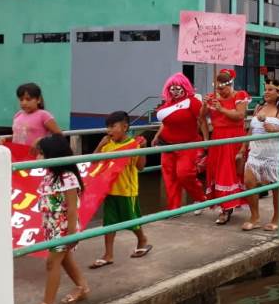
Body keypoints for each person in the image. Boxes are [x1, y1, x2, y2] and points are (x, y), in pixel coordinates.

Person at [21, 134, 89, 304]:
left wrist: (71, 234)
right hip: (51, 225)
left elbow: (73, 207)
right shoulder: (50, 173)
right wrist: (41, 142)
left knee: (52, 263)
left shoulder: (67, 177)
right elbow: (35, 147)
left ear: (54, 155)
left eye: (42, 154)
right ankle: (82, 287)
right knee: (65, 259)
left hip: (63, 226)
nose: (38, 157)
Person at [89, 111, 151, 270]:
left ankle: (142, 239)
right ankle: (108, 254)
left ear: (125, 127)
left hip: (127, 191)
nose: (109, 131)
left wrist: (142, 150)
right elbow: (93, 163)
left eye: (112, 126)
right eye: (107, 127)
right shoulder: (107, 145)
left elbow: (141, 167)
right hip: (109, 191)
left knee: (132, 219)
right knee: (108, 224)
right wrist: (100, 145)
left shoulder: (134, 144)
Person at [240, 81, 279, 231]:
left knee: (277, 187)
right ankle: (254, 217)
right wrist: (242, 148)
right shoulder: (259, 107)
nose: (266, 92)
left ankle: (277, 217)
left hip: (275, 153)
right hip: (256, 152)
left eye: (270, 90)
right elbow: (251, 130)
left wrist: (275, 129)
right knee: (249, 182)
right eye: (265, 90)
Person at [151, 73, 207, 211]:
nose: (174, 91)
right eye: (172, 88)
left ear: (184, 87)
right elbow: (166, 122)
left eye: (177, 88)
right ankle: (174, 208)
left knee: (185, 174)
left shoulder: (193, 102)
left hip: (187, 144)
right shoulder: (168, 103)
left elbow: (201, 120)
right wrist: (157, 136)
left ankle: (200, 198)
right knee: (169, 178)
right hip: (166, 144)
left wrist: (206, 140)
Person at [200, 69, 250, 225]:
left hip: (234, 138)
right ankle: (225, 206)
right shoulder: (214, 98)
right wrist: (204, 105)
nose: (220, 92)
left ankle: (226, 208)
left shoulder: (239, 95)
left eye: (223, 89)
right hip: (217, 139)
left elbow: (240, 116)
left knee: (228, 173)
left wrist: (221, 109)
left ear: (230, 85)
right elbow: (201, 117)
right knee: (216, 172)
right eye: (218, 89)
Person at [0, 82, 62, 149]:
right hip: (17, 154)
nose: (24, 103)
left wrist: (41, 141)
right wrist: (6, 139)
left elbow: (59, 136)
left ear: (38, 100)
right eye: (21, 99)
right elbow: (18, 136)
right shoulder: (18, 115)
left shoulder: (44, 115)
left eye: (28, 99)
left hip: (36, 156)